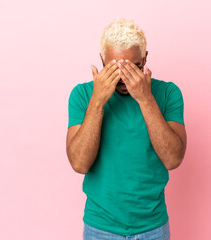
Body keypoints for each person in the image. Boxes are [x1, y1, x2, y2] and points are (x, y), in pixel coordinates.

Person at [66, 18, 187, 240]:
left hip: (153, 227)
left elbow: (173, 159)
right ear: (102, 60)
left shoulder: (168, 93)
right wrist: (98, 101)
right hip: (100, 228)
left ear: (145, 59)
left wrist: (145, 99)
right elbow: (79, 163)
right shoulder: (82, 95)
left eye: (133, 68)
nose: (122, 78)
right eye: (113, 68)